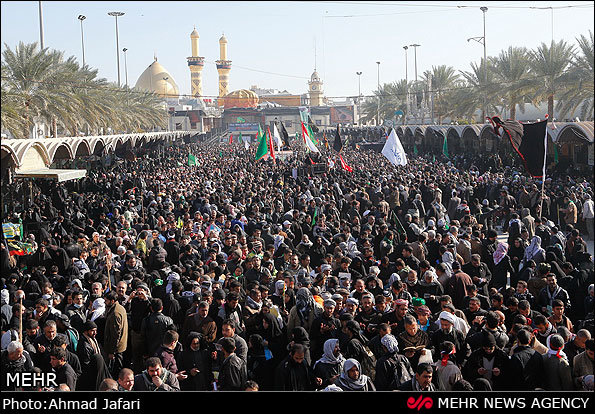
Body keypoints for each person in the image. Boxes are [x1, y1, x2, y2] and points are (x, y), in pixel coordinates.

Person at [103, 291, 128, 377]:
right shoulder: (119, 308)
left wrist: (112, 352)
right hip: (119, 346)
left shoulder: (115, 313)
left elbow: (115, 334)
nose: (105, 302)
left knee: (116, 370)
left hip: (117, 349)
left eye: (106, 301)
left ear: (112, 301)